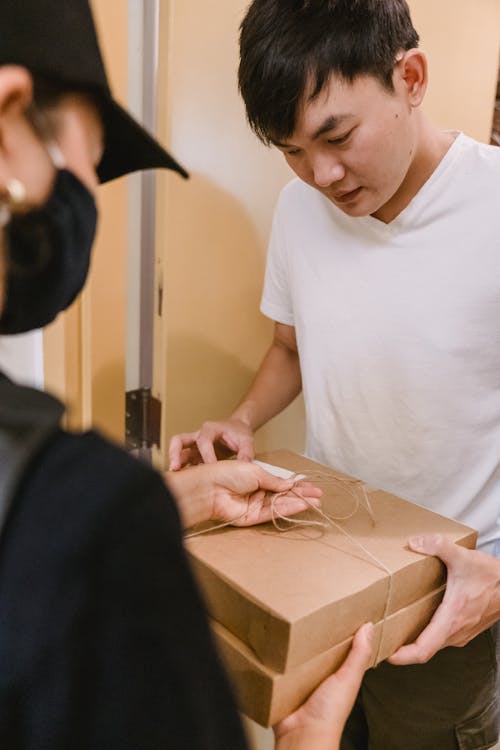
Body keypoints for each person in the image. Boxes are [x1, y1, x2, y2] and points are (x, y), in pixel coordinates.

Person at [0, 1, 376, 748]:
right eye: (90, 157)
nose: (319, 173)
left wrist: (174, 499)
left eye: (335, 137)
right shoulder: (92, 524)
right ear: (11, 125)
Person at [169, 0, 500, 747]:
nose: (322, 174)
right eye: (291, 150)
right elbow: (290, 346)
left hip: (452, 591)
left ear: (410, 76)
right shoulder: (298, 210)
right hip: (323, 561)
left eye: (337, 135)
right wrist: (243, 419)